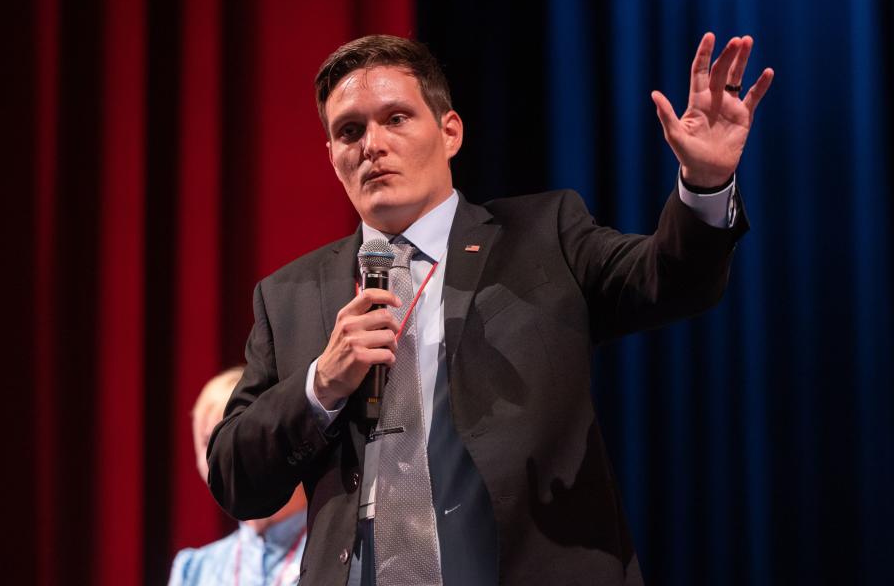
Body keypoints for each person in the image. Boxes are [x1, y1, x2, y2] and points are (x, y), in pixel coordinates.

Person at [207, 34, 773, 585]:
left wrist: (705, 183)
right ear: (331, 156)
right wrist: (319, 386)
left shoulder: (542, 236)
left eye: (396, 119)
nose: (371, 145)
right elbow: (235, 477)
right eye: (349, 131)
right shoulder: (289, 295)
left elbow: (671, 281)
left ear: (450, 132)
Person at [169, 368, 307, 586]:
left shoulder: (338, 552)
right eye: (208, 443)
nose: (227, 460)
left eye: (241, 445)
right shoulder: (195, 570)